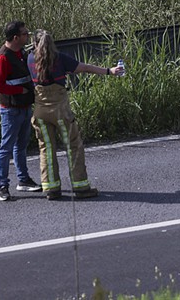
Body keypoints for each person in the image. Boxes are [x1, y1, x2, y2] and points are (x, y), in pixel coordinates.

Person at [28, 29, 123, 200]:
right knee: (73, 145)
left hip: (40, 112)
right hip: (60, 112)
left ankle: (51, 188)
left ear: (34, 44)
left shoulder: (30, 59)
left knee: (46, 148)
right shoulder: (61, 59)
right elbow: (85, 67)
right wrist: (109, 71)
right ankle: (80, 186)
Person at [0, 20, 42, 202]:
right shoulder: (3, 57)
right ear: (15, 37)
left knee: (20, 146)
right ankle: (3, 186)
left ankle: (23, 180)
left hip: (25, 107)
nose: (27, 36)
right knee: (6, 148)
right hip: (11, 110)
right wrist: (20, 91)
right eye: (24, 34)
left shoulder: (20, 53)